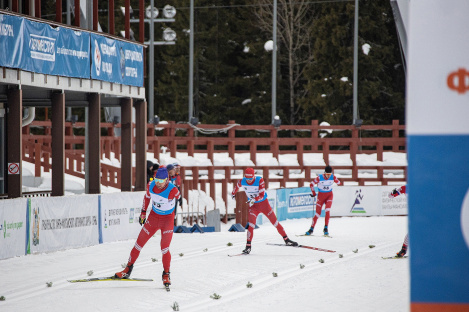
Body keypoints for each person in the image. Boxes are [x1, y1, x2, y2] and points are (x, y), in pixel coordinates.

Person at [115, 167, 180, 289]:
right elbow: (147, 197)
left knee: (164, 248)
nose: (159, 184)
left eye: (162, 181)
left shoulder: (173, 190)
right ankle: (127, 269)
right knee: (138, 243)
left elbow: (178, 197)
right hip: (153, 218)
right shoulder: (151, 185)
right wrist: (143, 212)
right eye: (157, 180)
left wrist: (173, 211)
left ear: (167, 180)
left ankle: (166, 274)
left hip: (167, 220)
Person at [231, 168, 298, 254]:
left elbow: (262, 195)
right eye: (247, 179)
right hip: (253, 207)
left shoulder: (260, 180)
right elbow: (237, 186)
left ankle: (286, 239)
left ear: (253, 176)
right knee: (251, 225)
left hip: (264, 205)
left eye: (250, 179)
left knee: (275, 223)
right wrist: (233, 193)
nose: (248, 181)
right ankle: (248, 246)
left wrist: (253, 199)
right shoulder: (242, 181)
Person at [305, 165, 341, 236]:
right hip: (321, 197)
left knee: (327, 210)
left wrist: (336, 181)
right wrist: (314, 193)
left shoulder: (332, 177)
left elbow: (339, 183)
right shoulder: (319, 177)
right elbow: (311, 184)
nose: (328, 176)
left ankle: (326, 228)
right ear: (324, 173)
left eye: (329, 174)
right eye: (327, 174)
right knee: (317, 214)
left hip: (329, 196)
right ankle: (311, 229)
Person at [388, 185, 408, 257]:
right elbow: (390, 196)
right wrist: (394, 191)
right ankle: (403, 250)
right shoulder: (406, 187)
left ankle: (404, 250)